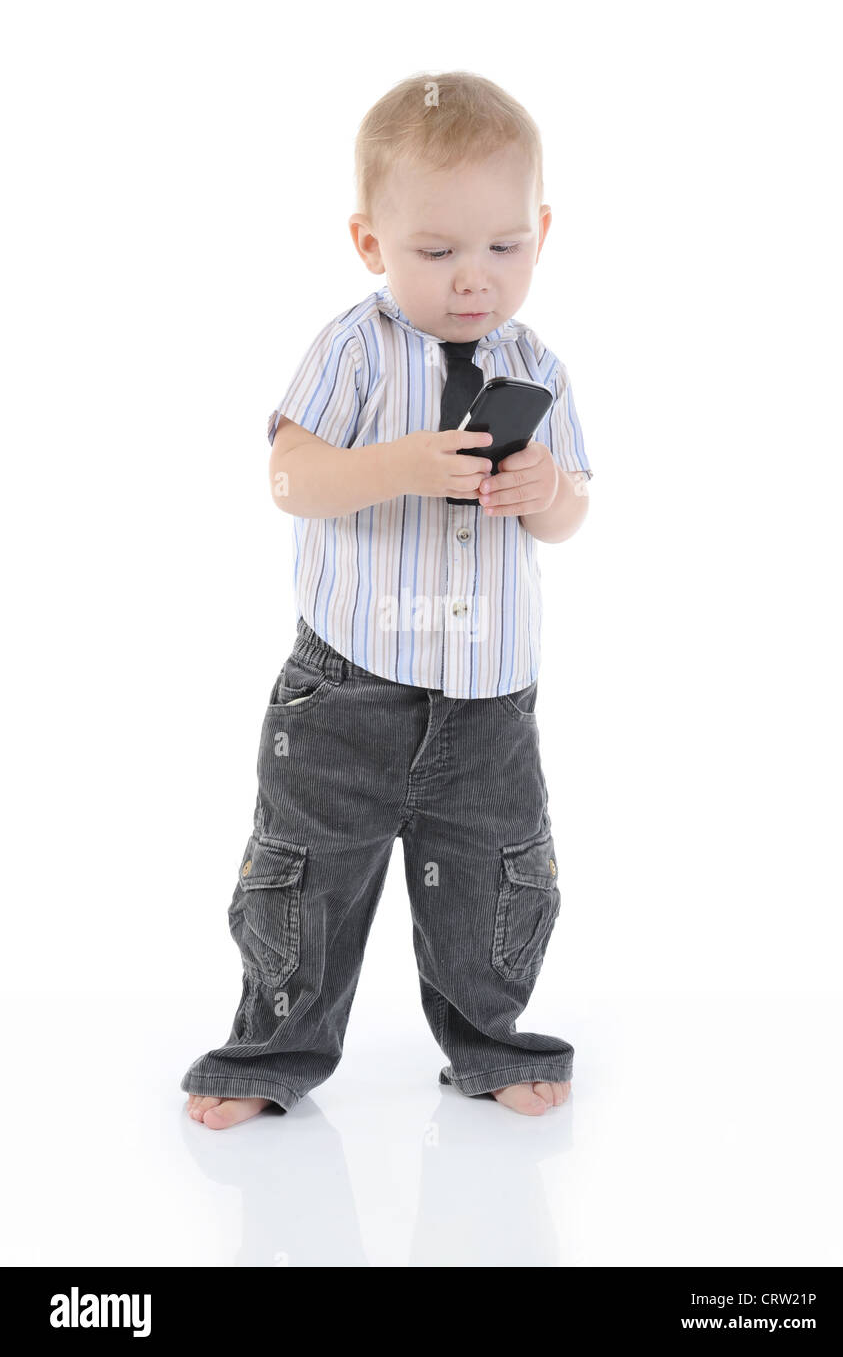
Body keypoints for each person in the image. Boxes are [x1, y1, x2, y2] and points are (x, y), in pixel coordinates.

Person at [182, 70, 594, 1129]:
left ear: (540, 231)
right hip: (347, 691)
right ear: (371, 244)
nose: (474, 280)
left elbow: (570, 512)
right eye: (437, 251)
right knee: (304, 882)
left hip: (488, 699)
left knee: (495, 882)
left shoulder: (534, 363)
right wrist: (398, 463)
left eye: (504, 248)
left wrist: (545, 490)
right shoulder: (354, 347)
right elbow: (288, 479)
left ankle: (490, 1039)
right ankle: (268, 1051)